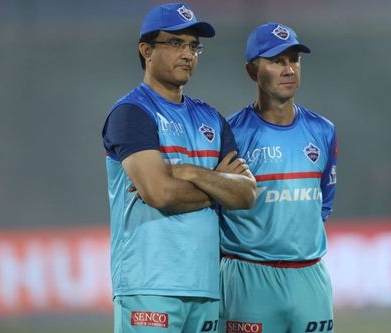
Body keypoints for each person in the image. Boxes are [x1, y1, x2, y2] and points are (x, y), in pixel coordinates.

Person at [102, 3, 256, 332]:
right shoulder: (132, 113)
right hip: (149, 286)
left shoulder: (212, 119)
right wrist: (218, 186)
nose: (187, 54)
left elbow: (245, 194)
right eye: (175, 43)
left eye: (193, 46)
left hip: (206, 287)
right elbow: (160, 193)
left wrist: (193, 172)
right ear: (146, 50)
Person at [219, 22, 338, 333]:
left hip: (309, 277)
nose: (289, 69)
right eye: (276, 61)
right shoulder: (230, 133)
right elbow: (217, 205)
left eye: (294, 60)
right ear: (252, 71)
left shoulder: (323, 131)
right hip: (249, 278)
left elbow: (323, 202)